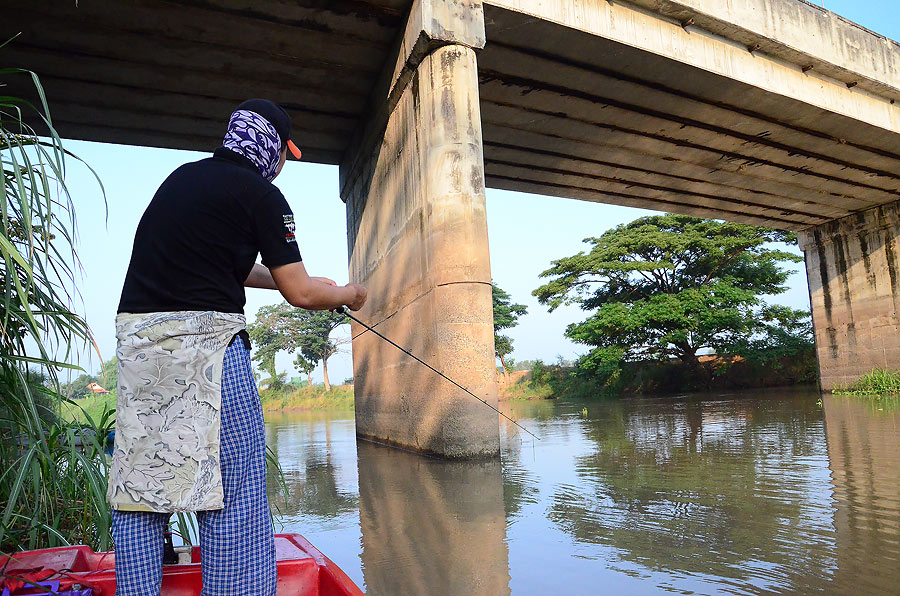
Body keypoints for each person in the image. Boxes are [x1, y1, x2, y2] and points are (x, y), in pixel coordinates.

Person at [108, 99, 366, 596]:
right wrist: (347, 294)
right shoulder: (263, 197)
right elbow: (303, 294)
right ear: (272, 147)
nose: (284, 163)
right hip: (211, 349)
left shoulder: (181, 179)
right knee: (234, 487)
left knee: (142, 488)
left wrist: (305, 281)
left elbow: (227, 263)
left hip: (142, 352)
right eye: (285, 153)